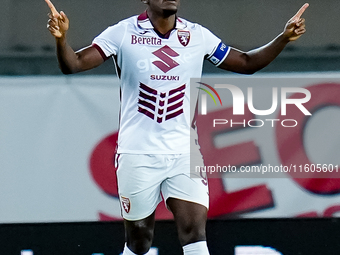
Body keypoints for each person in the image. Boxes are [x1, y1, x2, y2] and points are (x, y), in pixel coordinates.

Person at [45, 0, 308, 254]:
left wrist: (283, 38)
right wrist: (61, 40)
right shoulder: (123, 33)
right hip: (138, 153)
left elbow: (247, 63)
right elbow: (74, 64)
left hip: (184, 153)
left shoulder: (197, 35)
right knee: (140, 242)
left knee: (194, 233)